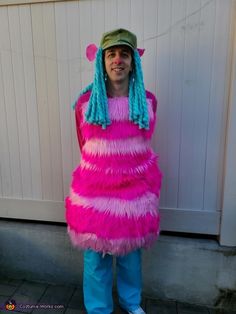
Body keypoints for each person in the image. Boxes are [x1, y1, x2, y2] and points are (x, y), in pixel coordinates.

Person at [65, 28, 163, 314]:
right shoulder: (86, 104)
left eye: (124, 54)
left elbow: (144, 142)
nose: (117, 60)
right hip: (95, 193)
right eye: (111, 54)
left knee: (131, 257)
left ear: (134, 62)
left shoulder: (147, 102)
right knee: (96, 259)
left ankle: (132, 304)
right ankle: (98, 309)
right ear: (101, 61)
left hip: (134, 192)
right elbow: (83, 145)